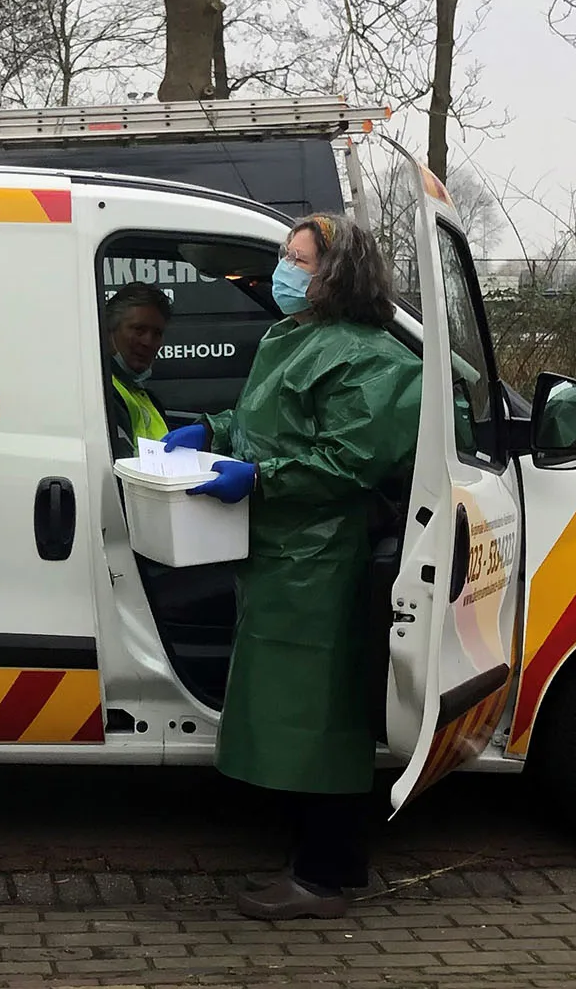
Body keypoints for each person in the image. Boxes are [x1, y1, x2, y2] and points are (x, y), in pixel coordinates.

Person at [162, 213, 421, 921]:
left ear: (338, 272)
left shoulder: (373, 359)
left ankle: (327, 875)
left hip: (322, 560)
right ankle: (317, 862)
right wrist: (211, 432)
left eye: (298, 258)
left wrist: (259, 478)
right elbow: (267, 421)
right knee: (297, 714)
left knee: (324, 719)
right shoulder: (293, 338)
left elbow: (348, 460)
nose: (284, 268)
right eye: (286, 254)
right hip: (282, 557)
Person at [103, 283, 173, 458]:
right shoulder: (104, 393)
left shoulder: (144, 397)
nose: (148, 342)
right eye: (139, 330)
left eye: (157, 333)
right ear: (109, 332)